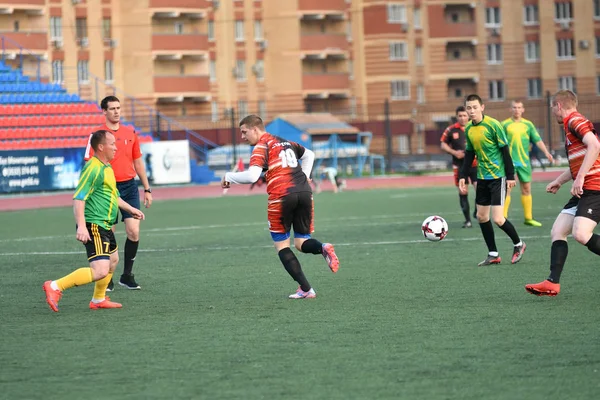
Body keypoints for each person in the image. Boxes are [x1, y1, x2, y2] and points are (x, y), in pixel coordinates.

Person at [221, 115, 340, 299]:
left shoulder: (262, 146)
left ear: (255, 129)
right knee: (301, 243)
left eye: (244, 132)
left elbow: (253, 177)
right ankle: (323, 247)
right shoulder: (285, 142)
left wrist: (228, 176)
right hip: (304, 193)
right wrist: (306, 176)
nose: (243, 137)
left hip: (281, 196)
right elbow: (309, 155)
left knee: (282, 246)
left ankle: (307, 289)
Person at [42, 130, 145, 312]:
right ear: (100, 147)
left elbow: (114, 195)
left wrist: (131, 209)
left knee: (113, 260)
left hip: (105, 224)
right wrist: (82, 226)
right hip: (94, 225)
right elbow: (79, 198)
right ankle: (55, 286)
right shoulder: (93, 168)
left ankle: (98, 299)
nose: (116, 147)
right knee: (100, 270)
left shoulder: (106, 167)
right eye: (112, 144)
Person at [525, 90, 600, 296]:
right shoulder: (570, 126)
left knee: (581, 234)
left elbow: (595, 145)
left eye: (552, 108)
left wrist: (581, 177)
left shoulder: (574, 120)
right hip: (584, 188)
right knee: (558, 231)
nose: (553, 112)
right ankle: (552, 283)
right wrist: (559, 181)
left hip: (595, 187)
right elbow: (581, 159)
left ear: (558, 106)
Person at [84, 96, 152, 291]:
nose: (116, 111)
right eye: (112, 108)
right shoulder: (97, 136)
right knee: (109, 234)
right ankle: (107, 277)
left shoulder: (130, 133)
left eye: (118, 108)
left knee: (134, 231)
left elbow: (138, 161)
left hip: (129, 186)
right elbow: (90, 162)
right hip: (107, 190)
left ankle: (127, 275)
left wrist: (147, 189)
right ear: (104, 111)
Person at [458, 94, 526, 266]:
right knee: (481, 217)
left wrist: (510, 176)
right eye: (468, 108)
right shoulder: (469, 129)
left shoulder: (493, 125)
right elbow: (469, 155)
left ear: (482, 107)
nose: (471, 111)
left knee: (498, 218)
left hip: (498, 177)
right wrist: (462, 176)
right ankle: (493, 254)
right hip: (482, 178)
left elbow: (505, 151)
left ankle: (519, 244)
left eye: (474, 107)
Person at [502, 100, 554, 226]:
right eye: (514, 107)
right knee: (507, 189)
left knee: (526, 189)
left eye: (519, 107)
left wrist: (547, 153)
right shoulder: (504, 124)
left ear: (523, 109)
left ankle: (528, 218)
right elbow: (500, 143)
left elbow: (537, 140)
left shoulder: (528, 124)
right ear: (510, 109)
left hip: (524, 162)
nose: (517, 110)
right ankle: (502, 217)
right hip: (509, 163)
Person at [440, 106, 478, 228]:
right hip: (460, 166)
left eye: (464, 115)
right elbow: (443, 144)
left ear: (468, 116)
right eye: (460, 116)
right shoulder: (451, 130)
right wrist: (454, 152)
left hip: (475, 165)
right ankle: (467, 221)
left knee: (481, 190)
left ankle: (477, 211)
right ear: (456, 117)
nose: (462, 118)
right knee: (463, 192)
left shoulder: (475, 127)